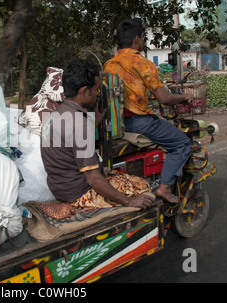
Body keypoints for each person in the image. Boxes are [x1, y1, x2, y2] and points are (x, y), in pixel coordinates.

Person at [40, 58, 154, 210]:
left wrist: (93, 123)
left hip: (60, 188)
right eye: (95, 90)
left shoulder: (55, 115)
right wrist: (128, 201)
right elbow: (93, 179)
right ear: (84, 91)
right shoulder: (79, 124)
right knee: (143, 186)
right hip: (80, 194)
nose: (96, 94)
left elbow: (69, 140)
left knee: (117, 176)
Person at [103, 18, 193, 203]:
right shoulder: (142, 63)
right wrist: (184, 97)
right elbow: (164, 98)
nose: (143, 41)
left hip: (117, 124)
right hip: (140, 122)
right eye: (143, 37)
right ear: (137, 38)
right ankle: (165, 187)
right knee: (182, 143)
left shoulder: (109, 64)